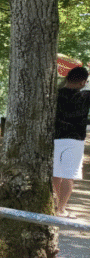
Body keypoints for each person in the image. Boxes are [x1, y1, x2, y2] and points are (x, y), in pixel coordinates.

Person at [53, 66, 90, 218]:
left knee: (56, 174)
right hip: (75, 139)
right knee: (69, 175)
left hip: (56, 136)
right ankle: (61, 209)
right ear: (83, 82)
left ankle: (56, 204)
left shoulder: (56, 94)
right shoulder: (86, 96)